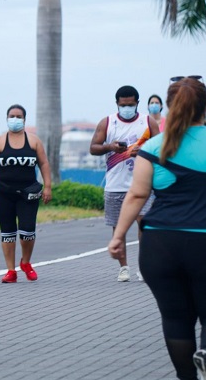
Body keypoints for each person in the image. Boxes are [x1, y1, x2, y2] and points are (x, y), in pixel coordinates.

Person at [107, 76, 206, 380]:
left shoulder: (154, 146)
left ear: (170, 107)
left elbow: (136, 195)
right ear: (205, 107)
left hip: (161, 245)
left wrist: (118, 236)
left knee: (176, 317)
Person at [90, 85, 160, 282]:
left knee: (144, 224)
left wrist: (145, 152)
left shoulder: (148, 122)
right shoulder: (107, 122)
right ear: (117, 104)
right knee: (118, 228)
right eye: (123, 105)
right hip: (115, 185)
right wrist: (110, 147)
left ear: (137, 103)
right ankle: (124, 268)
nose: (127, 108)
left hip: (142, 184)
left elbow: (163, 148)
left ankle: (143, 266)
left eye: (131, 104)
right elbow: (93, 148)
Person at [0, 104, 52, 283]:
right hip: (3, 193)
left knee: (27, 231)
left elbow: (44, 164)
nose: (15, 119)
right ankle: (11, 270)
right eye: (12, 116)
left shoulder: (33, 141)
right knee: (7, 232)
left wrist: (47, 186)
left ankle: (26, 262)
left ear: (24, 119)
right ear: (7, 118)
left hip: (28, 193)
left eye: (18, 116)